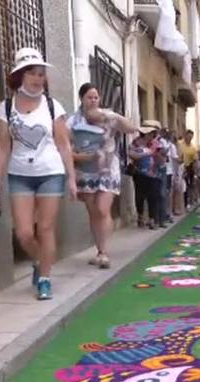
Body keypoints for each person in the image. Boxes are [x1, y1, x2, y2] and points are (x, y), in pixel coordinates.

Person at [0, 48, 77, 301]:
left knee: (46, 228)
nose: (39, 79)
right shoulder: (6, 108)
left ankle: (45, 279)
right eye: (32, 73)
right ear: (20, 76)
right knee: (24, 233)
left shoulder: (53, 106)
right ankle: (41, 261)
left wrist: (71, 178)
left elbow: (63, 144)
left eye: (42, 74)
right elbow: (3, 146)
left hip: (51, 172)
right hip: (20, 174)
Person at [68, 83, 137, 269]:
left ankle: (104, 252)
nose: (93, 100)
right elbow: (65, 146)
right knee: (92, 212)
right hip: (85, 169)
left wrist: (112, 115)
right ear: (81, 98)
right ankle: (99, 250)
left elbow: (131, 128)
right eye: (89, 97)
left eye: (96, 97)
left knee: (102, 209)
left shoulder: (107, 116)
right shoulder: (73, 121)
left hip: (107, 168)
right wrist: (77, 158)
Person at [128, 122, 163, 229]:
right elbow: (131, 154)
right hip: (139, 174)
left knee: (153, 197)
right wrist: (146, 153)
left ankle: (152, 220)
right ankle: (141, 217)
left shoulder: (156, 143)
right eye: (151, 133)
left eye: (153, 133)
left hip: (154, 174)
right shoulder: (135, 143)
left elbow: (161, 158)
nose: (153, 135)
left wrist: (158, 156)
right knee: (140, 196)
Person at [179, 130, 198, 209]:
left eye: (191, 137)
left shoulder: (193, 147)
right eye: (188, 136)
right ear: (185, 135)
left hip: (188, 167)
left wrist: (195, 170)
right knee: (180, 186)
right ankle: (180, 203)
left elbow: (195, 160)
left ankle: (188, 202)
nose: (189, 138)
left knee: (188, 186)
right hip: (179, 166)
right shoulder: (179, 144)